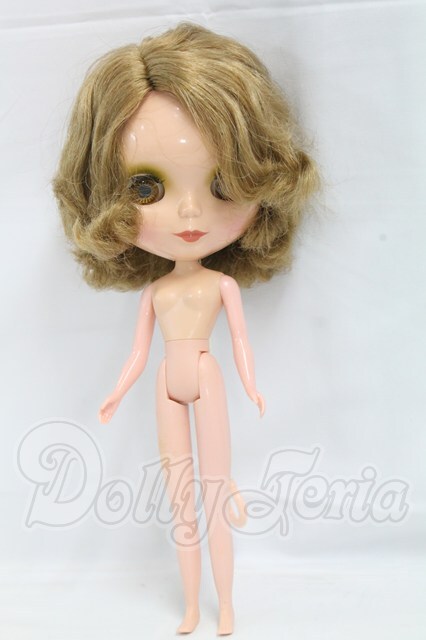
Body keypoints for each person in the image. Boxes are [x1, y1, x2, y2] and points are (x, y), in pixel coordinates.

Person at [53, 22, 319, 635]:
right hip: (165, 385)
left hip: (205, 374)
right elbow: (139, 351)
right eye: (147, 187)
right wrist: (116, 391)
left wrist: (252, 387)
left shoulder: (220, 285)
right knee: (182, 503)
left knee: (215, 493)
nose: (192, 211)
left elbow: (241, 343)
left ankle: (227, 603)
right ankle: (193, 605)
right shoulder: (159, 291)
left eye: (222, 184)